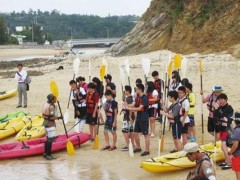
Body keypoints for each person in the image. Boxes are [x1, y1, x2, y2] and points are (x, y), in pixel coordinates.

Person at [126, 84, 150, 156]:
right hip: (139, 117)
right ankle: (138, 147)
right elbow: (134, 104)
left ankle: (147, 150)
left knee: (145, 134)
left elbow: (139, 108)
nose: (135, 90)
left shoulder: (145, 98)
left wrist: (129, 108)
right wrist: (126, 105)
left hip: (144, 116)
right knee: (135, 132)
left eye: (136, 89)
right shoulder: (137, 97)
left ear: (140, 89)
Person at [213, 93, 234, 170]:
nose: (220, 101)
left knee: (223, 146)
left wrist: (216, 110)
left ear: (226, 99)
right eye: (219, 99)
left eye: (222, 99)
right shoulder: (220, 108)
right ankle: (227, 160)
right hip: (222, 129)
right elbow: (215, 115)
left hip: (227, 129)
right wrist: (215, 109)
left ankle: (229, 162)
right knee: (223, 146)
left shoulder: (229, 108)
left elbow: (222, 116)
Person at [42, 94, 61, 160]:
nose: (55, 100)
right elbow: (52, 117)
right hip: (50, 124)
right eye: (54, 99)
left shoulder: (45, 104)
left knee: (48, 139)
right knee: (50, 140)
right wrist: (59, 117)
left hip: (45, 123)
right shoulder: (52, 107)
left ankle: (45, 153)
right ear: (52, 100)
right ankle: (48, 155)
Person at [121, 85, 135, 151]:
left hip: (127, 117)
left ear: (127, 91)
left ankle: (128, 145)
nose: (124, 91)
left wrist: (129, 116)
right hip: (129, 116)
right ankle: (133, 144)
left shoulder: (128, 99)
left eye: (125, 91)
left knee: (125, 131)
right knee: (131, 131)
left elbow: (130, 108)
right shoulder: (130, 98)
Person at [228, 112, 240, 179]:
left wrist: (230, 152)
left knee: (238, 173)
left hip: (238, 155)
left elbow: (235, 145)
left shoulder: (237, 131)